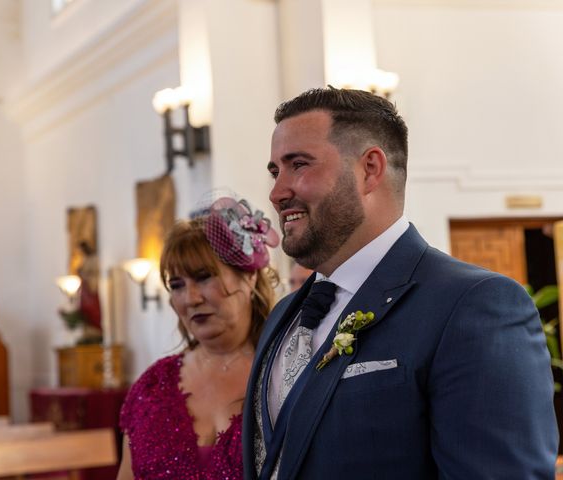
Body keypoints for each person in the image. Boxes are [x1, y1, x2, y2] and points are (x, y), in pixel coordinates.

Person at [241, 87, 558, 479]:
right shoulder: (283, 316)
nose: (276, 193)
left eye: (299, 165)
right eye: (275, 171)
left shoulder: (473, 305)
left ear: (370, 169)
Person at [117, 195, 279, 479]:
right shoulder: (152, 388)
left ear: (249, 276)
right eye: (177, 285)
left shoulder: (284, 373)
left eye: (204, 277)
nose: (190, 298)